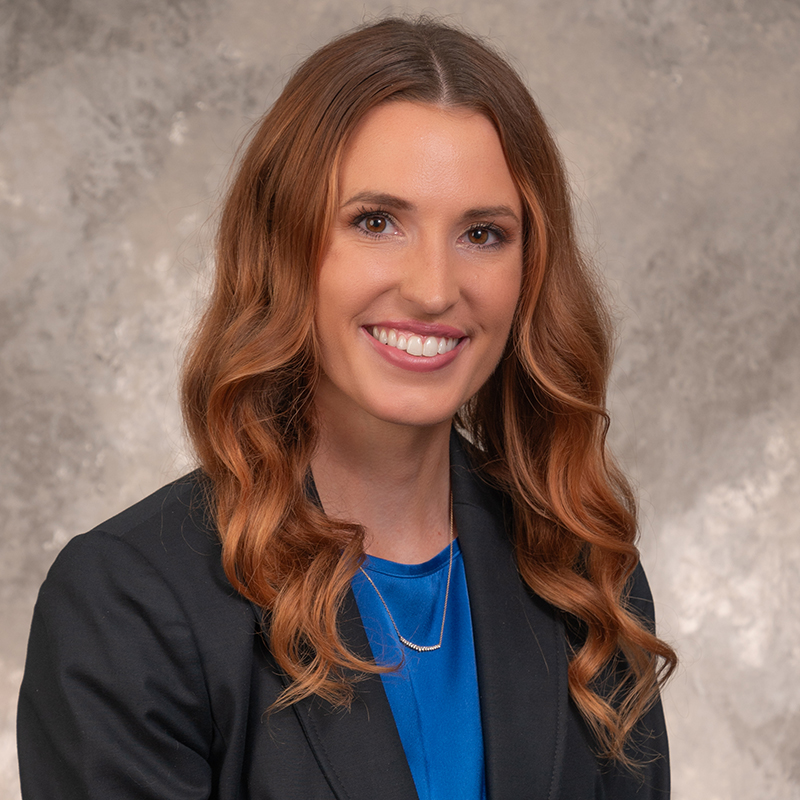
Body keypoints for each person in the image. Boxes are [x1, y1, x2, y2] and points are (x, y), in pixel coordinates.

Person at [17, 16, 677, 800]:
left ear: (530, 272)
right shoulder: (126, 606)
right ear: (284, 245)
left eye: (483, 233)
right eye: (376, 222)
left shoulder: (584, 579)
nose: (434, 288)